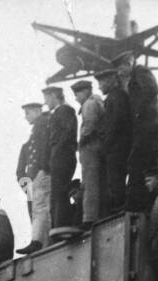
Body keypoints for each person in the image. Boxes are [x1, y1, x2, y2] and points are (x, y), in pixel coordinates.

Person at [115, 50, 158, 211]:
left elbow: (152, 90)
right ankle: (143, 203)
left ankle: (134, 204)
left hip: (147, 127)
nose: (119, 72)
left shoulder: (141, 72)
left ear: (129, 63)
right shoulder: (135, 76)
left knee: (136, 164)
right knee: (146, 166)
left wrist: (138, 114)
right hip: (146, 127)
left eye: (120, 68)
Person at [96, 67, 132, 215]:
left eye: (101, 83)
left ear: (110, 81)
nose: (99, 86)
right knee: (114, 179)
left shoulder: (117, 96)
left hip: (117, 146)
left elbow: (116, 122)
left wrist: (107, 144)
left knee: (116, 178)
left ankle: (119, 207)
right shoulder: (115, 96)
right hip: (116, 145)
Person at [17, 101, 51, 253]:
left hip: (41, 177)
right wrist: (26, 188)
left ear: (37, 112)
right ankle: (39, 242)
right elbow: (20, 172)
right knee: (36, 213)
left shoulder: (42, 126)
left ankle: (41, 242)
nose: (26, 117)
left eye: (28, 113)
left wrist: (42, 170)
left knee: (43, 210)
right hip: (32, 185)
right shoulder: (27, 145)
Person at [44, 85, 79, 231]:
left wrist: (57, 152)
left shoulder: (65, 110)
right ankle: (58, 224)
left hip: (62, 156)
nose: (46, 103)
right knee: (58, 192)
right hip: (60, 155)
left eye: (47, 99)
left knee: (60, 192)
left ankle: (61, 224)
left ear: (53, 96)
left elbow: (67, 133)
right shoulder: (61, 111)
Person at [70, 80, 104, 225]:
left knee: (90, 183)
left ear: (84, 92)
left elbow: (89, 126)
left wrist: (80, 142)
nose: (76, 98)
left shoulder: (89, 104)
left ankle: (89, 217)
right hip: (98, 147)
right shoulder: (98, 102)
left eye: (77, 94)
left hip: (90, 148)